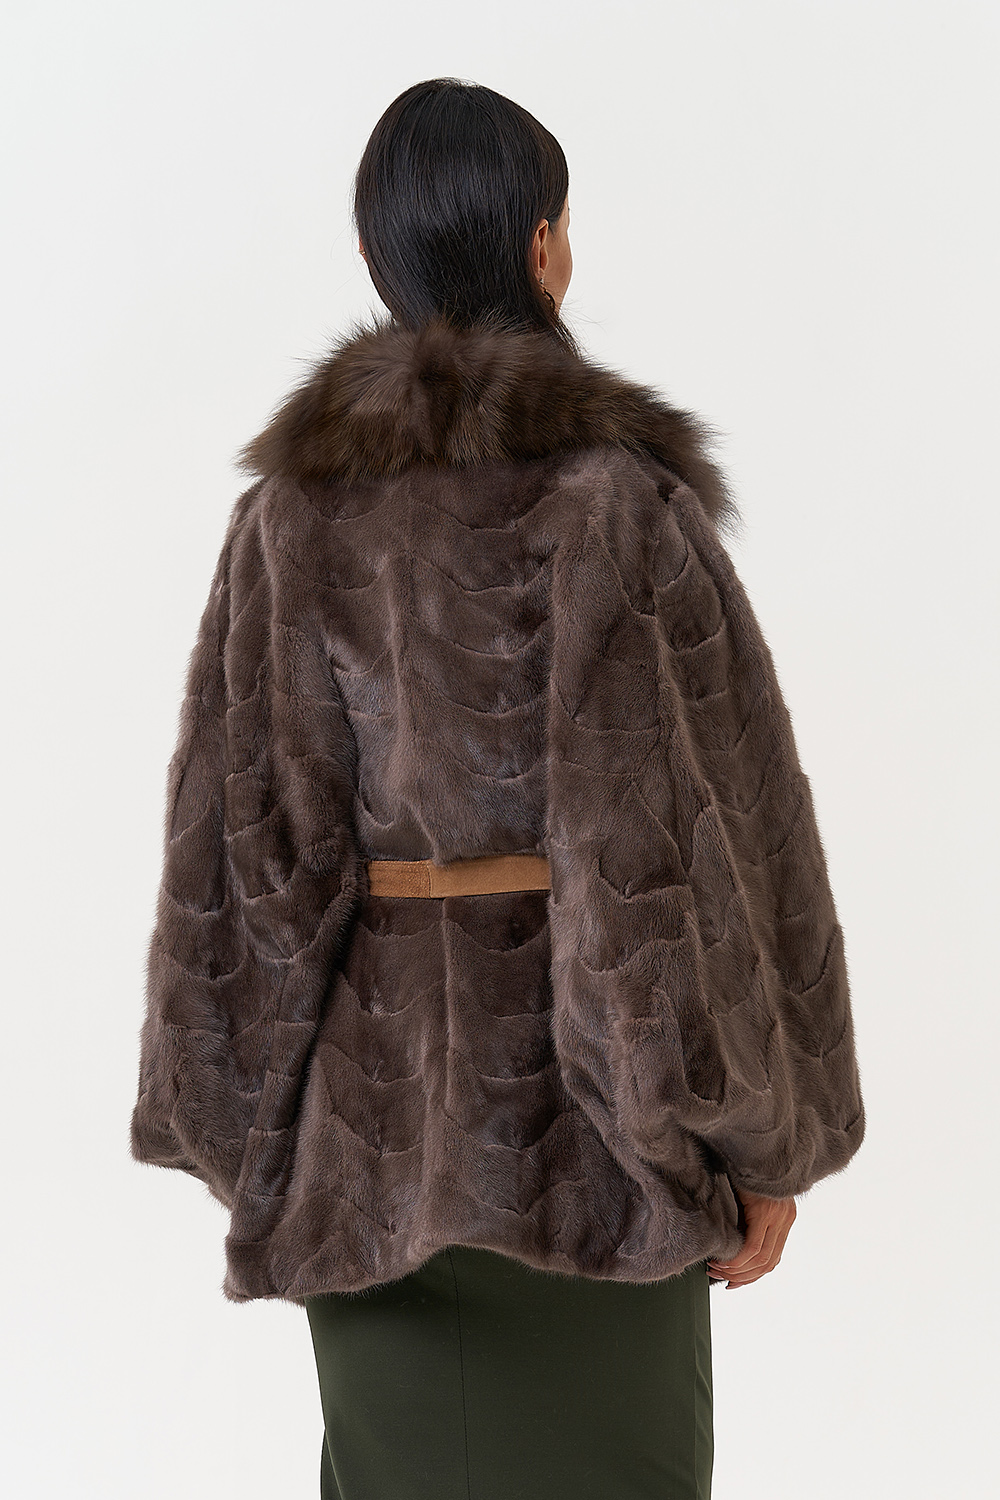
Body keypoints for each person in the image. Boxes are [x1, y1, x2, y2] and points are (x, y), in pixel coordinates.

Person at [129, 77, 866, 1500]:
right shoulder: (621, 505)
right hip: (602, 1160)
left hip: (375, 1162)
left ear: (373, 259)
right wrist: (758, 1140)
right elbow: (687, 860)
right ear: (543, 247)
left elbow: (244, 869)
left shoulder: (289, 521)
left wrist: (247, 1144)